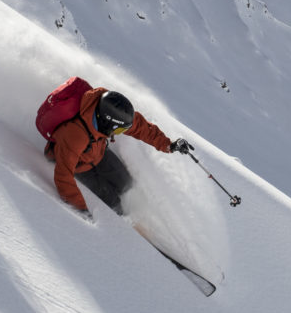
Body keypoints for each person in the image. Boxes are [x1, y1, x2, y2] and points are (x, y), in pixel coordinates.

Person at [44, 85, 192, 216]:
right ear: (107, 122)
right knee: (112, 201)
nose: (120, 132)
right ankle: (124, 225)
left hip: (99, 154)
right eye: (119, 129)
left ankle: (140, 218)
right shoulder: (75, 135)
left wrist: (170, 145)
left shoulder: (108, 111)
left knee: (128, 185)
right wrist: (80, 209)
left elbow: (140, 127)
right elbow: (63, 175)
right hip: (79, 167)